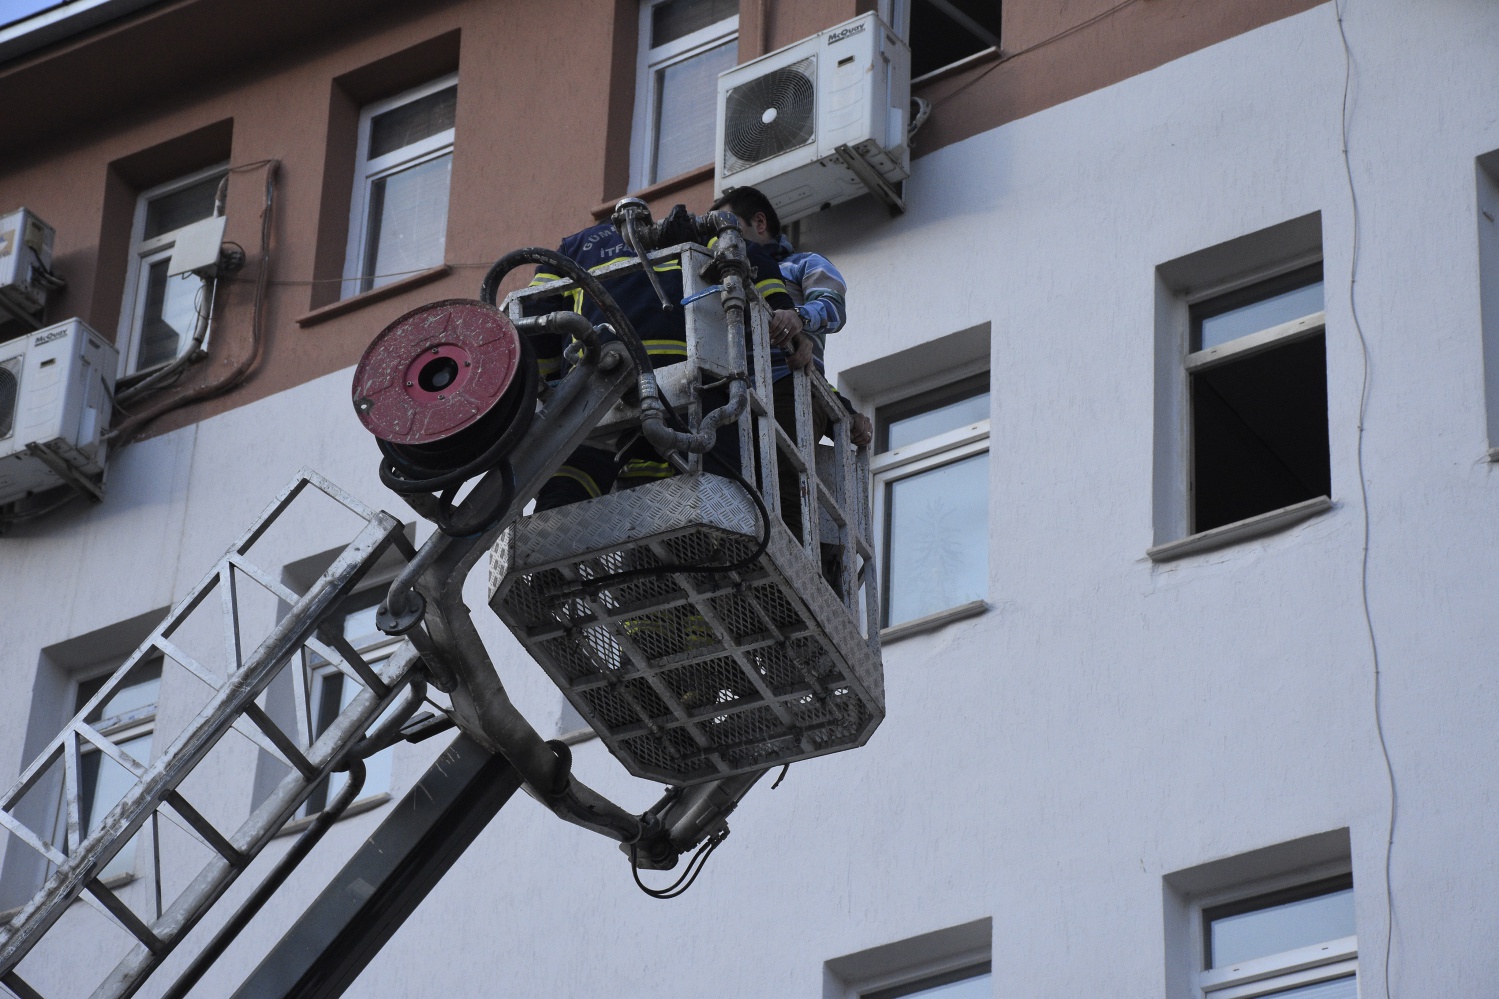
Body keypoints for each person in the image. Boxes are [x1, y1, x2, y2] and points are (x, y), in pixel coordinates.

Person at [526, 206, 799, 509]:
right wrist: (782, 305)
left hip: (594, 384)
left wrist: (548, 393)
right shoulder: (692, 230)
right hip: (688, 377)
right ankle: (717, 536)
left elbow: (536, 317)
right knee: (716, 466)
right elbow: (746, 260)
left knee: (576, 468)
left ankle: (557, 525)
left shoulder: (572, 248)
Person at [709, 186, 874, 450]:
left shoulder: (804, 264)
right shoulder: (719, 274)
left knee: (781, 483)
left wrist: (797, 316)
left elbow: (832, 307)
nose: (722, 239)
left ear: (759, 222)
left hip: (789, 389)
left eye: (729, 226)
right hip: (733, 397)